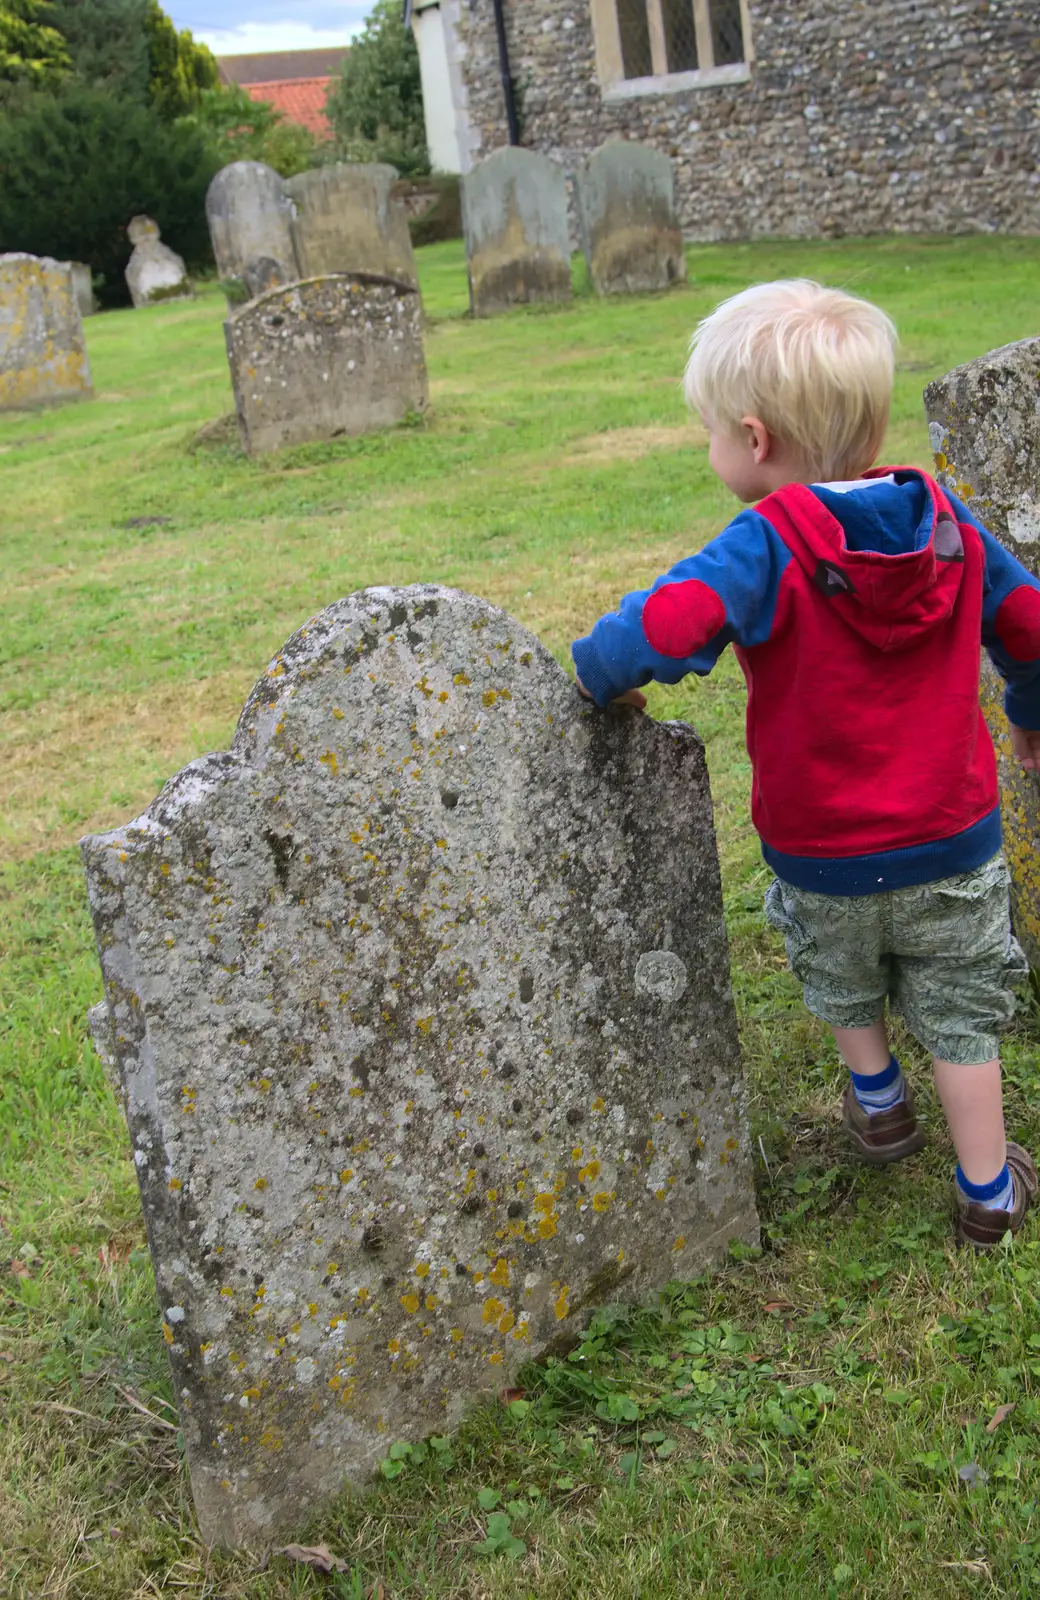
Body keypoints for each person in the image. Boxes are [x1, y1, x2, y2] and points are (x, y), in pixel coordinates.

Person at [572, 279, 1040, 1249]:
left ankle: (875, 1101)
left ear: (751, 439)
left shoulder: (762, 545)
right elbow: (1030, 625)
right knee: (959, 1014)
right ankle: (986, 1193)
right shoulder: (945, 523)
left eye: (705, 428)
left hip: (817, 852)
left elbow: (661, 625)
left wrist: (598, 670)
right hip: (951, 844)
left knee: (838, 972)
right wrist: (1027, 714)